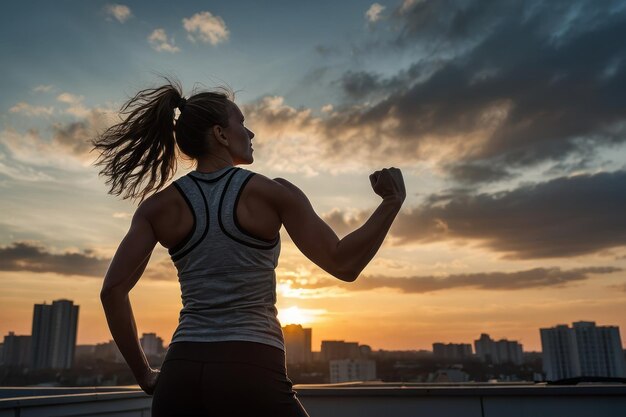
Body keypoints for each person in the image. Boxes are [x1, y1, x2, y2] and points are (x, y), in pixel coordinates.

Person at [94, 79, 406, 417]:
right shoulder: (272, 192)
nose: (251, 133)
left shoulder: (157, 208)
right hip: (250, 368)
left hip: (179, 373)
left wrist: (143, 373)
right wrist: (391, 201)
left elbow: (112, 291)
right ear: (221, 134)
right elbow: (344, 263)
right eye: (241, 122)